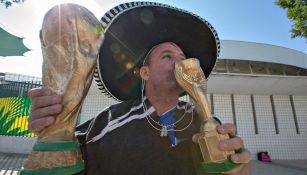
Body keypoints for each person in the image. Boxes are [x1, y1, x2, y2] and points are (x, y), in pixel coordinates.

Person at [28, 2, 251, 175]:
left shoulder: (208, 124)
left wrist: (240, 167)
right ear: (145, 72)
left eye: (184, 58)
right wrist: (55, 127)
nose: (181, 63)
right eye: (167, 56)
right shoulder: (106, 123)